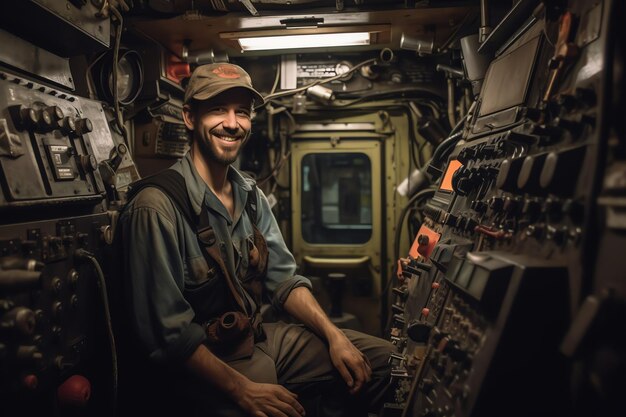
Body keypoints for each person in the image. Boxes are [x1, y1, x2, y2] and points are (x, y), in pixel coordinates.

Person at [117, 62, 394, 417]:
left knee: (385, 363)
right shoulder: (155, 209)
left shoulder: (250, 195)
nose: (232, 123)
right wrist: (242, 390)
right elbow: (169, 338)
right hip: (201, 365)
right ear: (189, 117)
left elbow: (285, 282)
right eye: (218, 109)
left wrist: (334, 335)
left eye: (242, 113)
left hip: (257, 338)